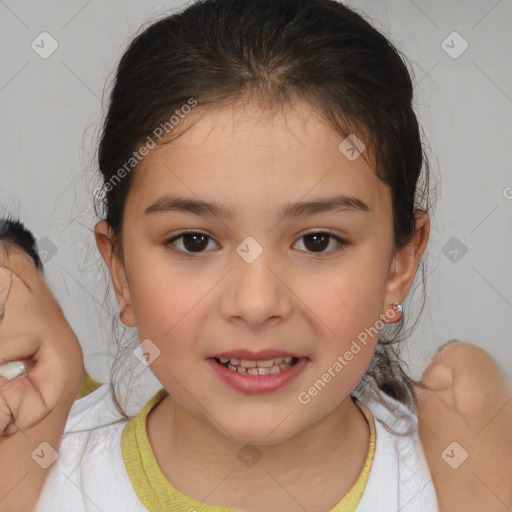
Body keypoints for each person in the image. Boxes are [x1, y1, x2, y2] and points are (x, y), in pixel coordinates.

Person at [0, 0, 511, 510]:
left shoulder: (469, 479)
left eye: (317, 240)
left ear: (399, 265)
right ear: (121, 271)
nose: (256, 302)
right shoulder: (33, 482)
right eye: (193, 241)